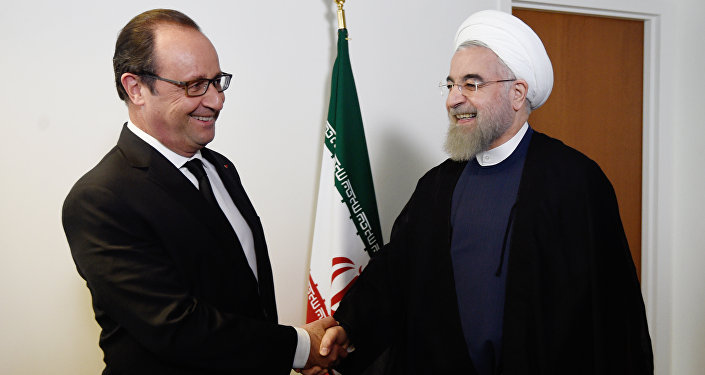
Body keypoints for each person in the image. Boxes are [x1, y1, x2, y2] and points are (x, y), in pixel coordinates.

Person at [316, 9, 653, 375]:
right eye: (451, 84)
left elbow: (613, 314)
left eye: (471, 84)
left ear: (517, 93)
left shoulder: (576, 182)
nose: (453, 100)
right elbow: (394, 276)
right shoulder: (436, 187)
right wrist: (347, 326)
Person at [62, 9, 344, 375]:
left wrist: (280, 353)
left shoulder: (220, 168)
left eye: (217, 81)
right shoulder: (99, 199)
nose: (216, 100)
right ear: (135, 88)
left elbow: (242, 294)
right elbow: (176, 326)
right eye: (194, 85)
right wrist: (298, 347)